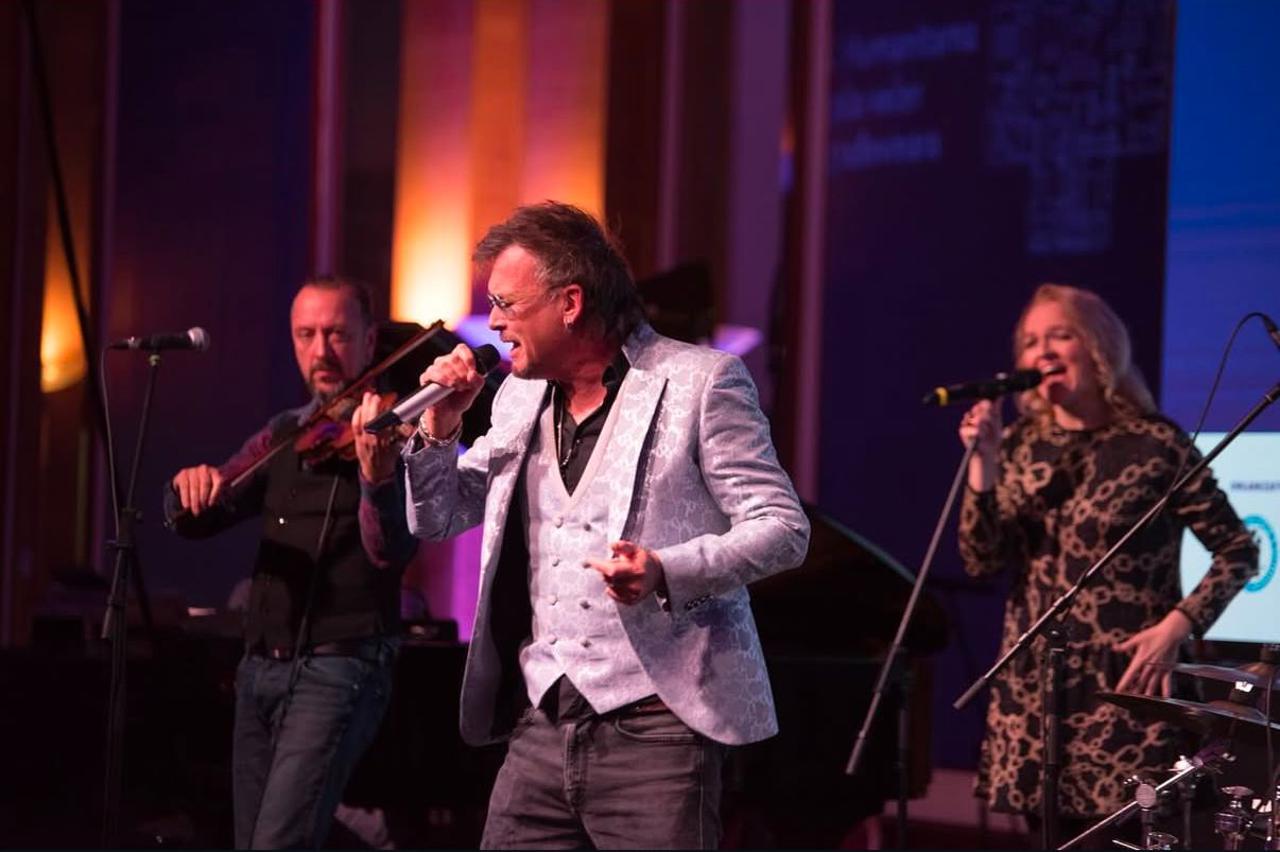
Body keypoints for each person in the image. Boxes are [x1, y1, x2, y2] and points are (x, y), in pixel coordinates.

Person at [402, 201, 810, 849]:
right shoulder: (518, 396)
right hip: (541, 722)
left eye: (507, 303)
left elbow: (783, 527)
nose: (495, 322)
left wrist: (667, 569)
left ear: (569, 303)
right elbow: (437, 516)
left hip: (657, 730)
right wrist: (439, 428)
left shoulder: (701, 382)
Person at [957, 283, 1258, 833]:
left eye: (1060, 335)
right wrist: (985, 464)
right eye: (1030, 342)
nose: (1042, 352)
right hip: (1035, 694)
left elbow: (1238, 549)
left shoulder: (1155, 443)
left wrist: (1177, 627)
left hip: (1128, 689)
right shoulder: (1019, 444)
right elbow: (981, 562)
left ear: (1098, 346)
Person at [165, 276, 417, 848]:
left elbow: (389, 551)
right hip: (260, 667)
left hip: (339, 666)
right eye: (306, 335)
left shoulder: (396, 432)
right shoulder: (285, 432)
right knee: (253, 838)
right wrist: (187, 489)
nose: (321, 350)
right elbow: (212, 507)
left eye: (337, 334)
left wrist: (376, 480)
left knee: (279, 842)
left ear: (369, 340)